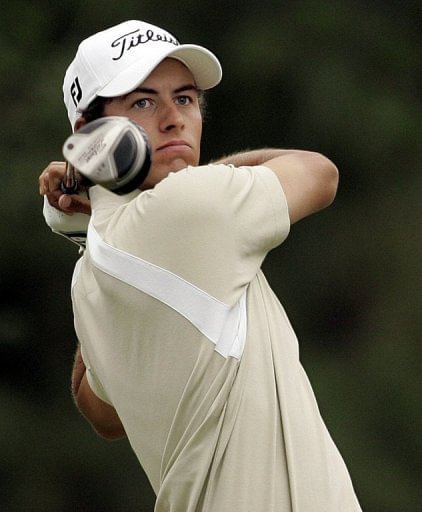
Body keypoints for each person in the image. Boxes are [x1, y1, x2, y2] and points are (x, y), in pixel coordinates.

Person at [39, 19, 362, 512]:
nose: (174, 119)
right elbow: (320, 173)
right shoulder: (194, 208)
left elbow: (101, 410)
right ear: (88, 135)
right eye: (143, 103)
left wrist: (90, 231)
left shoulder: (90, 280)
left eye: (185, 98)